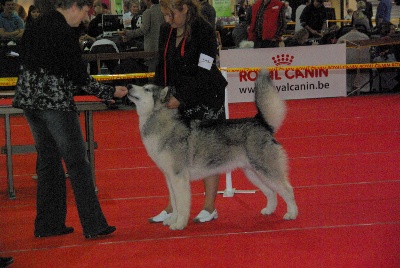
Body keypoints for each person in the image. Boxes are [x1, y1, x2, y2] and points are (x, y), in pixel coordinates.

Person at [12, 0, 128, 239]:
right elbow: (78, 76)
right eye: (86, 11)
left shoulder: (35, 24)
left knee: (48, 161)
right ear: (74, 6)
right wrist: (110, 92)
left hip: (29, 102)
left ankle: (48, 224)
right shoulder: (64, 31)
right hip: (54, 103)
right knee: (77, 162)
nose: (86, 18)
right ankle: (93, 225)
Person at [150, 0, 228, 223]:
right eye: (165, 15)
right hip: (177, 96)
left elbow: (205, 69)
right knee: (174, 154)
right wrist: (159, 95)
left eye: (170, 14)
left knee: (209, 151)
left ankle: (209, 206)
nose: (167, 20)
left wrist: (182, 98)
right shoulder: (167, 30)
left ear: (184, 8)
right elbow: (161, 64)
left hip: (205, 96)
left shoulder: (204, 30)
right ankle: (173, 205)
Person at [121, 0, 164, 73]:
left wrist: (127, 33)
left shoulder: (148, 12)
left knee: (152, 74)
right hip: (163, 46)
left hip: (151, 47)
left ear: (149, 1)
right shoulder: (164, 11)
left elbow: (143, 30)